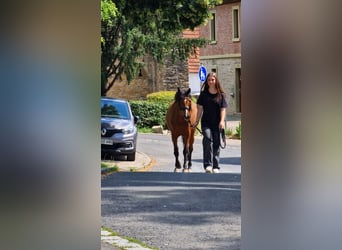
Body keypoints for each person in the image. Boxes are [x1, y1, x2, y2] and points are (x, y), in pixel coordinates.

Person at [193, 72, 227, 173]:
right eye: (209, 80)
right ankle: (207, 165)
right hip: (206, 122)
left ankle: (216, 166)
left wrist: (222, 121)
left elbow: (223, 109)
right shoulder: (203, 94)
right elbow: (199, 109)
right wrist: (196, 121)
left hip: (217, 122)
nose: (211, 82)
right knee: (207, 139)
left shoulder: (221, 95)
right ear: (207, 82)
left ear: (216, 81)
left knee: (216, 143)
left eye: (212, 80)